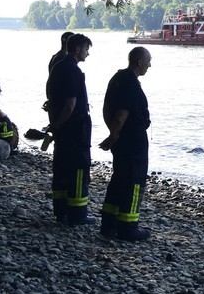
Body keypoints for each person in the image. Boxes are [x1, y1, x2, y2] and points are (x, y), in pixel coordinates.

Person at [98, 47, 153, 241]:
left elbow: (106, 108)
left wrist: (112, 132)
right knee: (134, 181)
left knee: (119, 178)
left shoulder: (117, 78)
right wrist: (114, 134)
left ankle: (109, 223)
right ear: (139, 62)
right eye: (148, 61)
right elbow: (122, 114)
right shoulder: (130, 83)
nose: (150, 65)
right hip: (132, 139)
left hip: (121, 138)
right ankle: (128, 227)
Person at [45, 33, 94, 226]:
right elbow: (70, 105)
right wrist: (59, 124)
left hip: (62, 130)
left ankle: (61, 211)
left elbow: (51, 98)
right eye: (86, 49)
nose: (87, 54)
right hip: (75, 129)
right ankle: (77, 214)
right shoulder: (73, 71)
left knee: (61, 168)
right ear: (77, 49)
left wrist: (54, 125)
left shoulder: (56, 66)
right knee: (79, 170)